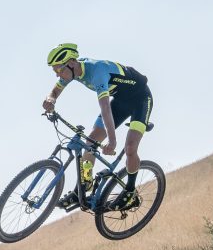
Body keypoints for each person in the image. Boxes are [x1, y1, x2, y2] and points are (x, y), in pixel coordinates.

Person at [42, 43, 153, 208]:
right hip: (121, 101)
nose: (58, 75)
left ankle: (130, 191)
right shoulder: (72, 72)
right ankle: (84, 186)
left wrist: (112, 142)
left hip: (141, 100)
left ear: (71, 63)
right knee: (91, 141)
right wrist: (51, 98)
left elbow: (105, 108)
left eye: (59, 69)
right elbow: (55, 91)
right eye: (55, 71)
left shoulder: (97, 72)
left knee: (130, 148)